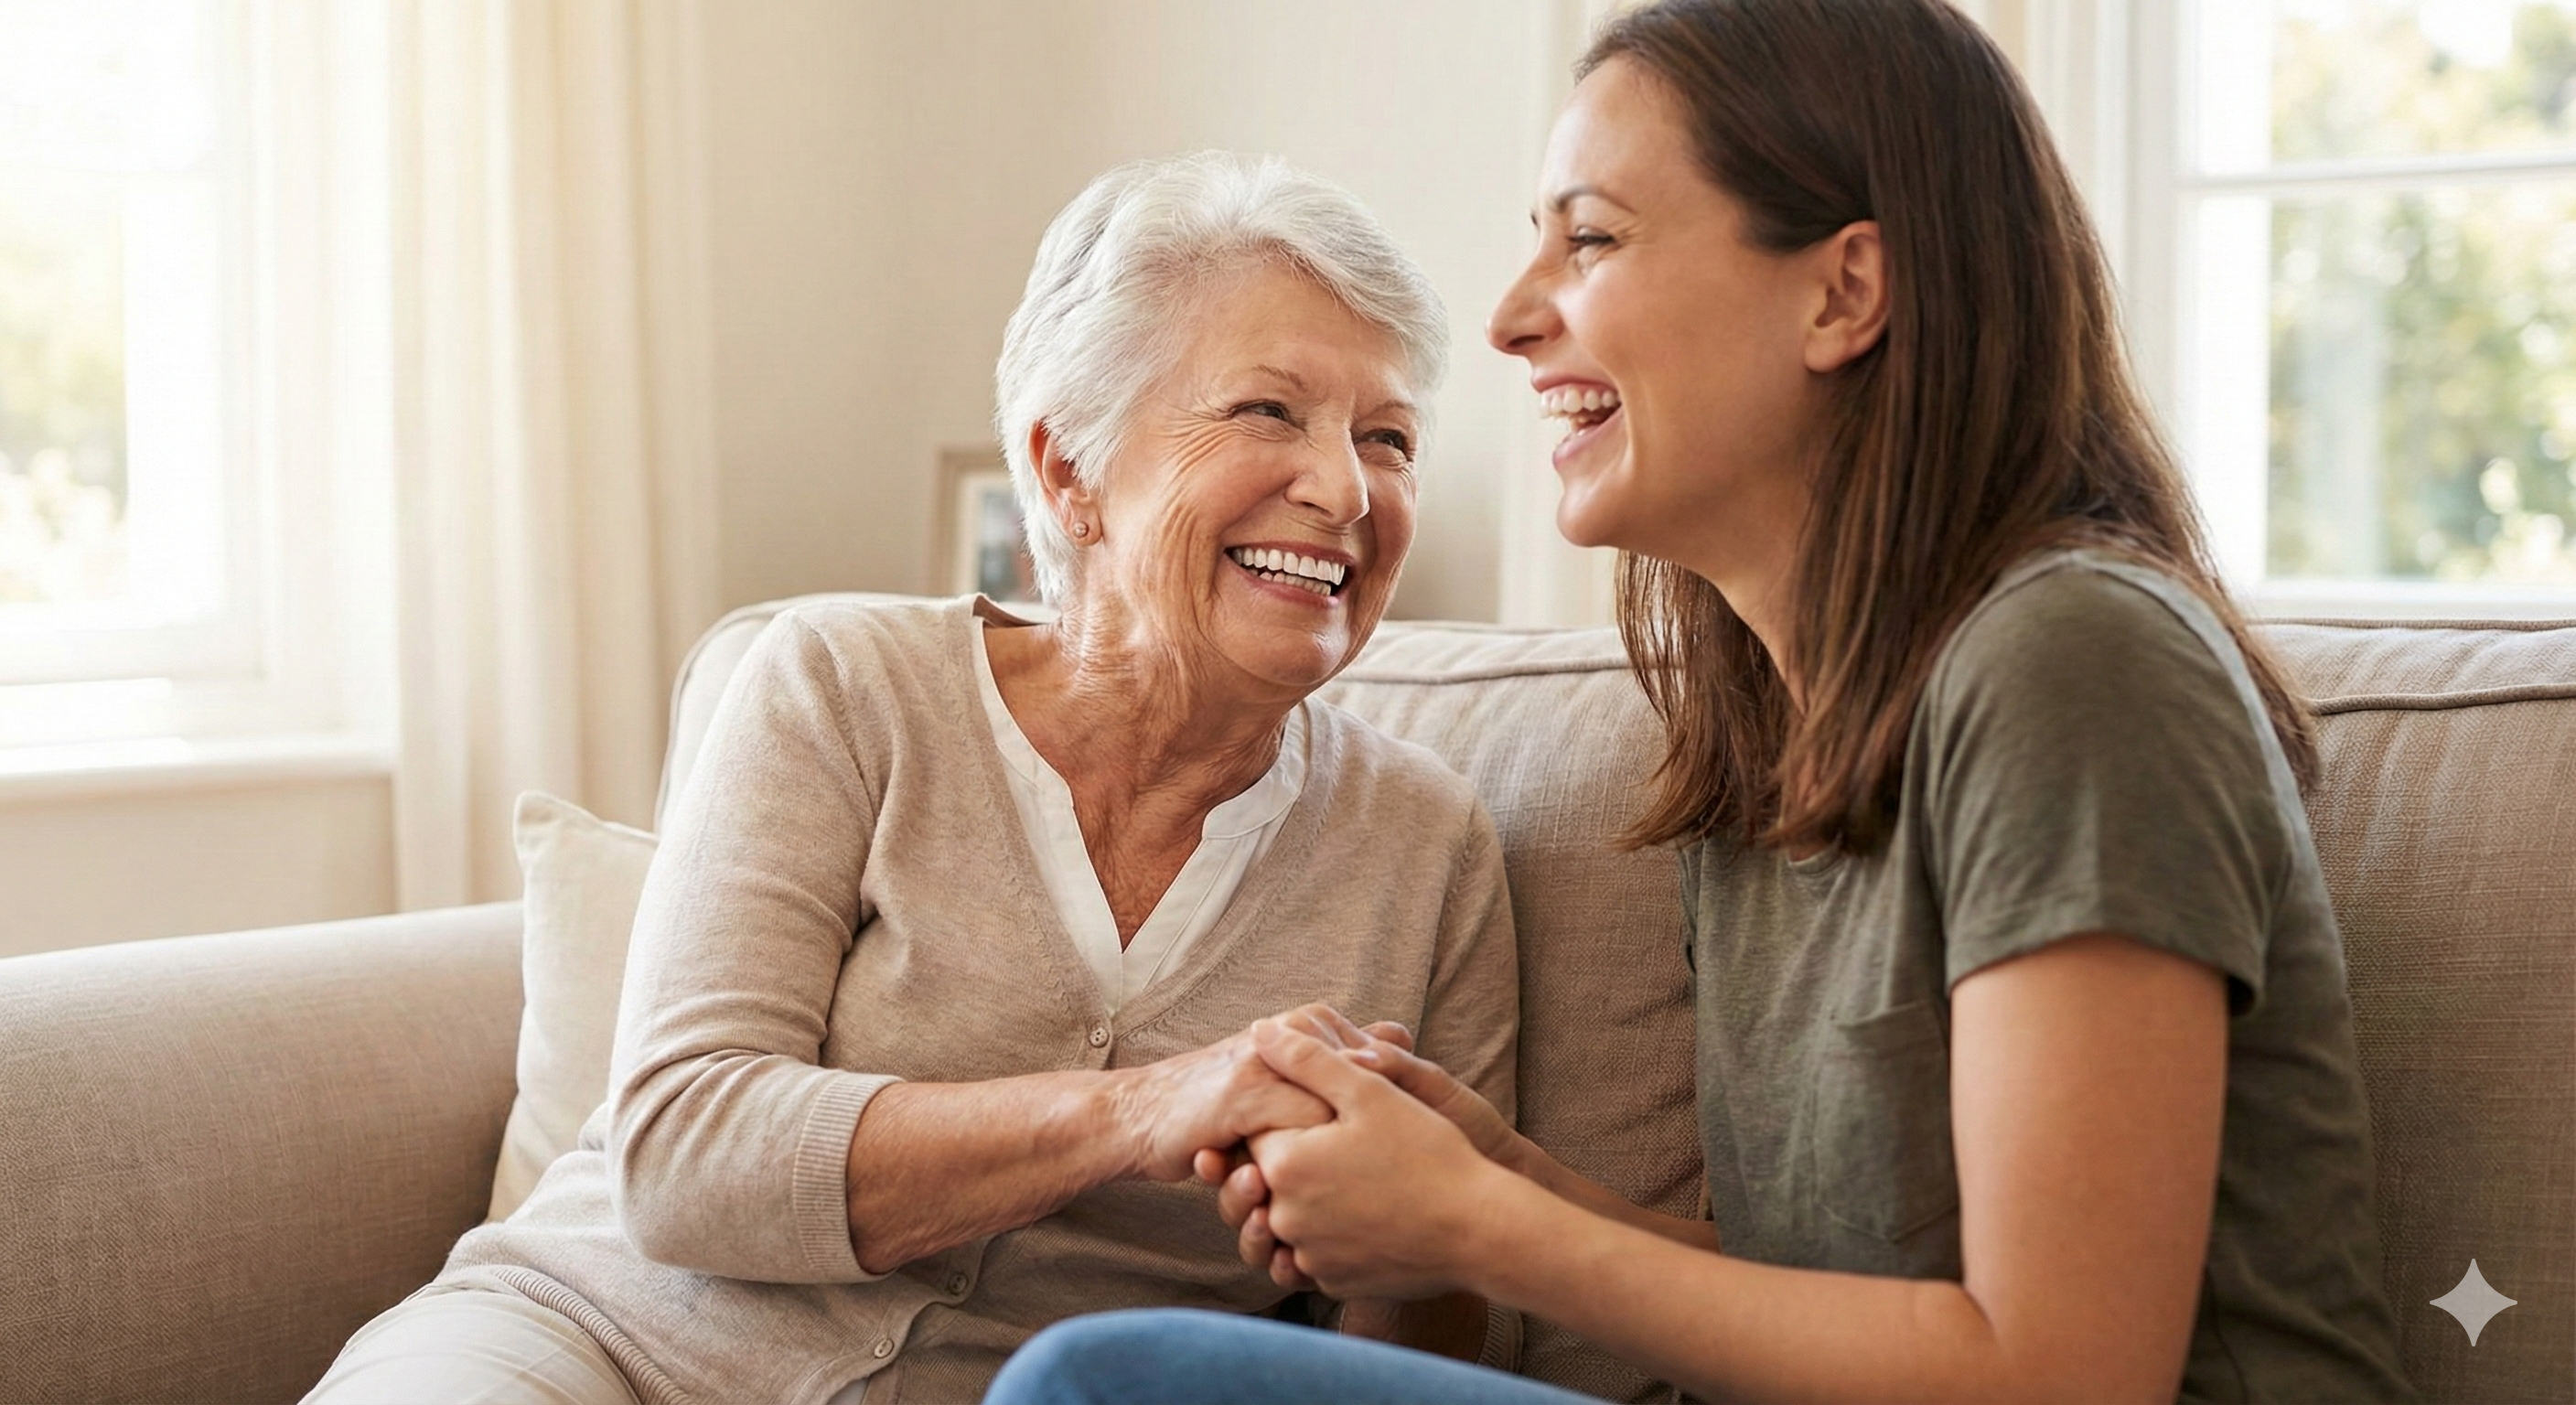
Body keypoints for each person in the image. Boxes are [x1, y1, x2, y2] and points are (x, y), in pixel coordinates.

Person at [984, 2, 2416, 1402]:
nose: (1509, 318)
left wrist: (1487, 1228)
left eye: (1591, 237)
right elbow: (1852, 1308)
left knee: (1106, 1382)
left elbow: (2062, 1370)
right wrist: (1497, 1181)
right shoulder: (1772, 732)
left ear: (1843, 292)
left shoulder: (2076, 664)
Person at [301, 151, 1519, 1405]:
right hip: (593, 1347)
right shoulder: (846, 686)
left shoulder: (1426, 846)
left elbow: (1421, 1346)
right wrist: (1145, 1112)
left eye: (1390, 438)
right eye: (1270, 413)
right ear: (1067, 471)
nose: (1346, 488)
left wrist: (1410, 1231)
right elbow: (683, 1154)